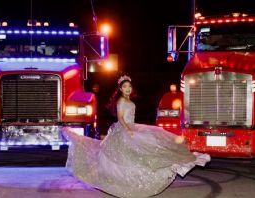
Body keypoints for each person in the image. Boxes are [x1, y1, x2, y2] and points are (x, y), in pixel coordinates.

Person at [62, 75, 210, 198]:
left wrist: (132, 129)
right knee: (124, 155)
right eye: (125, 87)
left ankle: (183, 160)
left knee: (148, 148)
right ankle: (121, 180)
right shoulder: (121, 101)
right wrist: (128, 130)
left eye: (129, 87)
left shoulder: (130, 101)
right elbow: (120, 117)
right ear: (120, 89)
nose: (128, 89)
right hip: (124, 130)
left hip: (132, 128)